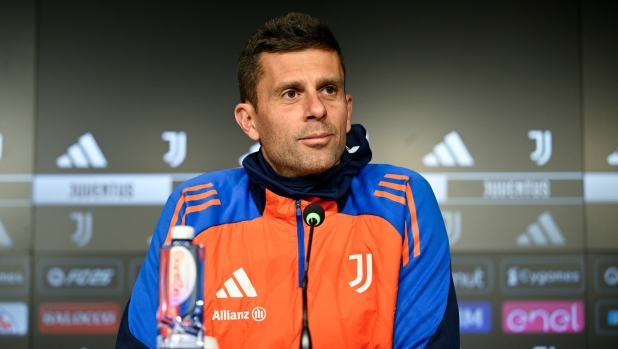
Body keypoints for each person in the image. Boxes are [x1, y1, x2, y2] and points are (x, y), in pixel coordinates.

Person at [116, 12, 459, 349]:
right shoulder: (196, 208)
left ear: (348, 108)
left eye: (328, 89)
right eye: (291, 93)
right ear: (249, 121)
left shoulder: (401, 199)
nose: (317, 108)